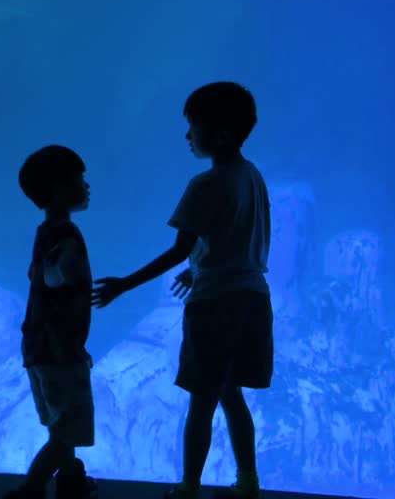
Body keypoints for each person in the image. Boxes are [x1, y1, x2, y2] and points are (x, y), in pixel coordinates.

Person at [92, 82, 273, 499]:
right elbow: (238, 237)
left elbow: (179, 250)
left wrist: (124, 285)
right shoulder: (253, 175)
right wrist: (201, 267)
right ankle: (248, 483)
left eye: (194, 126)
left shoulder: (205, 184)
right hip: (253, 298)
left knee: (203, 399)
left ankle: (189, 487)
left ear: (222, 134)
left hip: (216, 305)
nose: (188, 136)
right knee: (232, 395)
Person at [5, 145, 98, 499]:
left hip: (40, 348)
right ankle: (27, 492)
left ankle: (72, 483)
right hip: (59, 351)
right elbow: (55, 278)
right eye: (79, 179)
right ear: (60, 189)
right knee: (66, 434)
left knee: (62, 425)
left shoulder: (45, 232)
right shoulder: (64, 236)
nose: (87, 186)